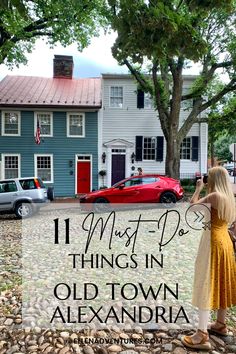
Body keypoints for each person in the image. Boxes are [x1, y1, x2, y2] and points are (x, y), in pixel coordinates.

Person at [181, 166, 236, 350]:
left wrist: (198, 188)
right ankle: (220, 324)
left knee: (207, 282)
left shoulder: (214, 196)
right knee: (222, 282)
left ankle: (202, 334)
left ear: (213, 179)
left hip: (212, 241)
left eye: (208, 177)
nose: (206, 180)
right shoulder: (229, 197)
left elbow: (191, 208)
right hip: (225, 241)